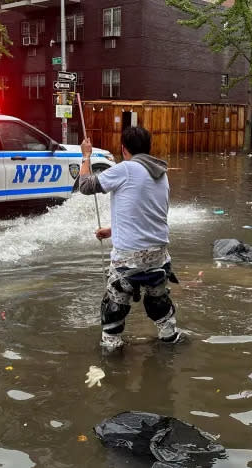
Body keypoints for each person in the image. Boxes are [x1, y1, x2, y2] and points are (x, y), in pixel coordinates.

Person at [78, 126, 180, 350]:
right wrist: (113, 230)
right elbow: (148, 213)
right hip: (159, 256)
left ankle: (112, 355)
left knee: (114, 308)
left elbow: (84, 186)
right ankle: (170, 340)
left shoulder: (125, 169)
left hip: (128, 258)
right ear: (148, 147)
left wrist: (85, 155)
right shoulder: (161, 173)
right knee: (159, 304)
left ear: (123, 149)